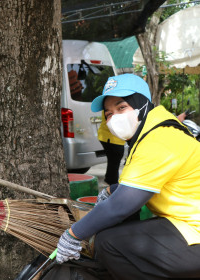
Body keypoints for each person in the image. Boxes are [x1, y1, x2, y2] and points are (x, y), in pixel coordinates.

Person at [56, 73, 200, 279]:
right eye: (108, 113)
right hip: (186, 222)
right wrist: (111, 190)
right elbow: (151, 180)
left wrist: (73, 235)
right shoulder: (152, 131)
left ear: (141, 105)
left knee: (109, 244)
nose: (114, 117)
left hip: (195, 231)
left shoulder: (158, 140)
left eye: (121, 107)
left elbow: (119, 207)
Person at [97, 111, 125, 186]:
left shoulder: (113, 102)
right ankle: (111, 183)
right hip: (111, 137)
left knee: (113, 161)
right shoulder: (114, 102)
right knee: (115, 160)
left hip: (110, 136)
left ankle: (110, 181)